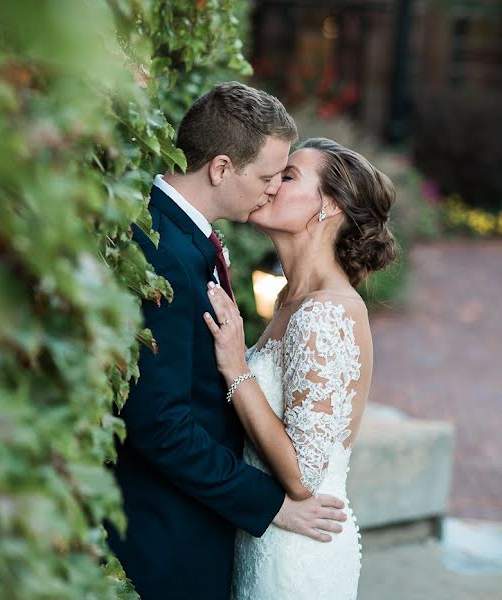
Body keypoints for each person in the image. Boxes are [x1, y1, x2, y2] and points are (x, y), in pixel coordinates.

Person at [105, 83, 348, 600]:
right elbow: (160, 424)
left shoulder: (182, 235)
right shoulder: (166, 253)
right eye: (266, 176)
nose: (272, 190)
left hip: (196, 527)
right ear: (220, 168)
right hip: (166, 540)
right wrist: (272, 504)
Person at [202, 137, 397, 599]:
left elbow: (304, 476)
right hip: (264, 537)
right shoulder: (293, 302)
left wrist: (236, 368)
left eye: (288, 177)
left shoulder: (323, 314)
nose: (270, 184)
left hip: (298, 555)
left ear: (327, 207)